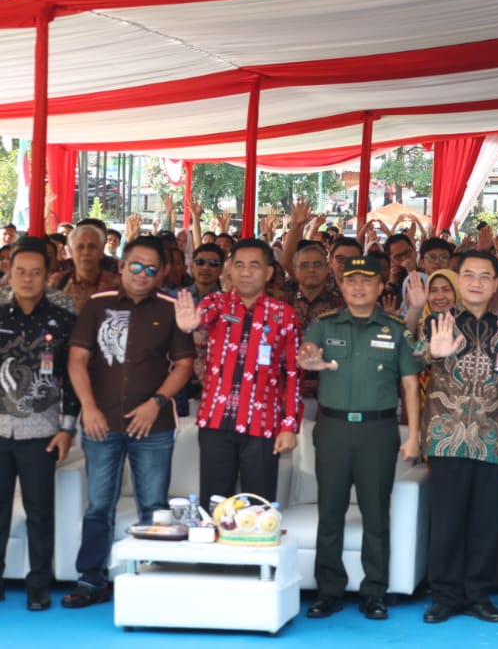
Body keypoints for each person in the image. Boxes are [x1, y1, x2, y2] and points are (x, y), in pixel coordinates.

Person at [62, 236, 196, 608]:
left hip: (153, 427)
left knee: (153, 505)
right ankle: (92, 580)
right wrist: (88, 408)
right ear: (120, 267)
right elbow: (76, 359)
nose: (141, 274)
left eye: (151, 269)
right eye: (135, 266)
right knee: (98, 506)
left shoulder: (171, 309)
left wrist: (156, 402)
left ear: (161, 273)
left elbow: (185, 364)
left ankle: (152, 579)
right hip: (101, 424)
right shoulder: (97, 305)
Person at [298, 254, 420, 621]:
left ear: (380, 287)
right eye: (351, 280)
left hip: (378, 431)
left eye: (367, 281)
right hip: (333, 428)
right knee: (330, 512)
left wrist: (414, 435)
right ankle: (329, 589)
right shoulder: (323, 325)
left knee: (376, 513)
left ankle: (374, 591)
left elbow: (411, 385)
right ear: (343, 285)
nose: (358, 286)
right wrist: (309, 360)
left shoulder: (396, 329)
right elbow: (306, 356)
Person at [420, 251, 498, 624]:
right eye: (469, 275)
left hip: (492, 439)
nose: (477, 282)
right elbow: (411, 358)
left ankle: (478, 595)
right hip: (445, 437)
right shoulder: (437, 323)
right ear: (458, 279)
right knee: (446, 521)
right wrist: (431, 354)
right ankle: (445, 596)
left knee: (485, 523)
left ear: (497, 283)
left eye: (485, 276)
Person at [175, 239, 302, 510]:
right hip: (216, 423)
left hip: (263, 425)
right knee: (214, 509)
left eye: (254, 266)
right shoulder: (216, 303)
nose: (245, 272)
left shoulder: (284, 315)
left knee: (259, 509)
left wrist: (289, 426)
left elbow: (292, 375)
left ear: (268, 273)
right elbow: (201, 317)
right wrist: (191, 323)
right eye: (239, 265)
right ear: (229, 269)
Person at [0, 239, 79, 610]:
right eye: (20, 271)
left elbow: (73, 375)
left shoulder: (63, 318)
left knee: (39, 511)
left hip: (42, 432)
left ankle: (38, 585)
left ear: (48, 276)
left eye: (35, 272)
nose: (27, 279)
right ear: (9, 274)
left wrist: (67, 429)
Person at [57, 221, 120, 311]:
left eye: (92, 247)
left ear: (101, 251)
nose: (86, 252)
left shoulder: (116, 284)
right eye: (80, 247)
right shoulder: (57, 281)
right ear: (71, 252)